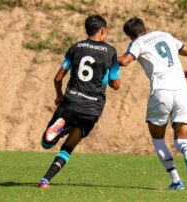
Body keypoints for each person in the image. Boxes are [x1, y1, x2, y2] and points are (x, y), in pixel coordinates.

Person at [38, 15, 120, 188]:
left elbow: (58, 78)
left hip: (70, 103)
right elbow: (116, 84)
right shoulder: (111, 52)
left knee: (46, 144)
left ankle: (59, 126)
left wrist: (59, 96)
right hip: (92, 109)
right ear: (103, 30)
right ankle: (45, 180)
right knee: (68, 148)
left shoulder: (75, 48)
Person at [118, 17, 187, 190]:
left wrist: (105, 56)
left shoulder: (138, 43)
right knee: (181, 140)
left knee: (158, 139)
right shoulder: (166, 36)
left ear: (129, 35)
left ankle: (177, 181)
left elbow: (124, 61)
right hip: (182, 92)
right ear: (145, 27)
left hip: (161, 93)